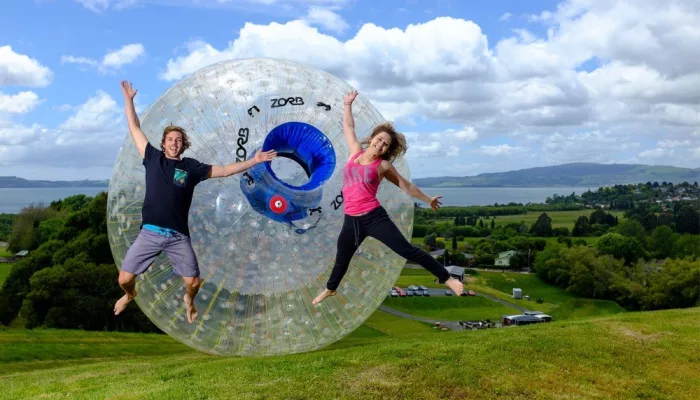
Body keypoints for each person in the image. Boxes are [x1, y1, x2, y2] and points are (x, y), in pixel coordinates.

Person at [113, 80, 277, 323]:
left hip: (178, 235)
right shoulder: (153, 158)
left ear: (183, 143)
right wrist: (129, 99)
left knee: (194, 282)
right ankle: (130, 294)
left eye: (178, 139)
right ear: (164, 142)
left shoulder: (191, 167)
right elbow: (134, 127)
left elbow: (224, 170)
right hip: (150, 233)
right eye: (170, 139)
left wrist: (254, 161)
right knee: (124, 280)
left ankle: (188, 299)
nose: (174, 143)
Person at [312, 90, 464, 305]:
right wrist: (347, 105)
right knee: (342, 257)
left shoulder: (383, 165)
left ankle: (447, 278)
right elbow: (348, 127)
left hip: (374, 218)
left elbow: (406, 186)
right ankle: (330, 289)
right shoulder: (355, 152)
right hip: (351, 219)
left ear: (387, 150)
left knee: (406, 250)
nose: (380, 144)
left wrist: (427, 198)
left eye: (385, 144)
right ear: (373, 138)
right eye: (379, 139)